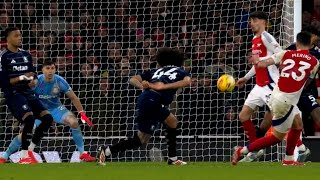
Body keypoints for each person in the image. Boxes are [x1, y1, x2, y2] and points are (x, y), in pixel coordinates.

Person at [232, 31, 319, 166]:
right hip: (285, 101)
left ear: (297, 42)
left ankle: (289, 160)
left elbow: (261, 64)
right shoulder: (315, 62)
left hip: (277, 95)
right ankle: (242, 151)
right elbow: (308, 81)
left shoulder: (285, 54)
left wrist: (256, 58)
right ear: (310, 43)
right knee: (276, 137)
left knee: (298, 125)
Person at [96, 47, 191, 165]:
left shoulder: (154, 71)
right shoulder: (180, 70)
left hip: (147, 98)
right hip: (152, 99)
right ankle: (173, 159)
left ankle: (107, 151)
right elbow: (187, 82)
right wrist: (159, 87)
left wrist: (145, 87)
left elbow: (132, 79)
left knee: (150, 134)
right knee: (146, 136)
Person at [0, 59, 95, 163]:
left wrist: (82, 113)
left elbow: (73, 97)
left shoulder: (59, 81)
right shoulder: (36, 81)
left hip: (56, 109)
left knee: (74, 122)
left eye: (52, 68)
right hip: (40, 111)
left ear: (55, 69)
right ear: (42, 70)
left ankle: (83, 153)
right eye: (47, 68)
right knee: (24, 134)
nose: (50, 71)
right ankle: (4, 156)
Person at [0, 27, 54, 164]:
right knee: (29, 119)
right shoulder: (3, 57)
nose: (20, 38)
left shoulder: (26, 55)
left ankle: (30, 149)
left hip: (28, 93)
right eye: (16, 36)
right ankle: (24, 157)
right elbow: (4, 83)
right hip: (14, 94)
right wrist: (22, 77)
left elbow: (32, 75)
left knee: (47, 119)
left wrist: (33, 81)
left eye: (20, 35)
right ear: (8, 39)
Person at [236, 11, 282, 162]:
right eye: (250, 20)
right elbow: (257, 65)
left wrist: (265, 60)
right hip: (259, 86)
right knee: (243, 116)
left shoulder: (266, 37)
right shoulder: (254, 39)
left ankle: (299, 147)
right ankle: (254, 149)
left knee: (283, 118)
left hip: (271, 84)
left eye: (254, 20)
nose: (251, 23)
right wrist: (246, 77)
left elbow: (281, 55)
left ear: (264, 22)